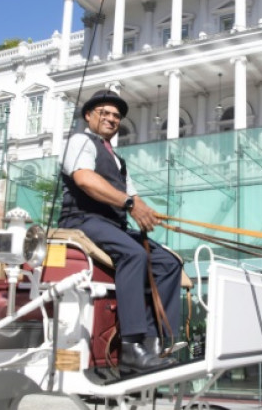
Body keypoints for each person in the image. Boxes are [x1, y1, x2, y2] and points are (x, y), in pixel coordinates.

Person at [58, 89, 182, 373]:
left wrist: (147, 213)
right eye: (105, 113)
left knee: (168, 263)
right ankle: (131, 347)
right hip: (82, 220)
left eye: (116, 116)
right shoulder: (79, 141)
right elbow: (85, 179)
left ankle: (155, 343)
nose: (112, 119)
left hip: (112, 226)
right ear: (88, 116)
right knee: (134, 254)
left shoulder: (117, 160)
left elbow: (133, 196)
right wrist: (129, 204)